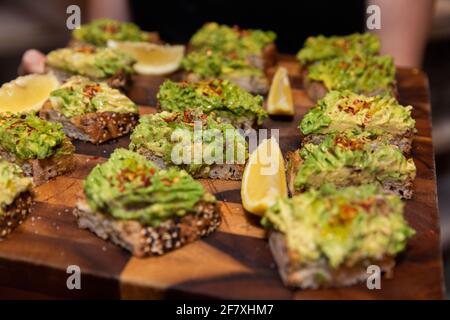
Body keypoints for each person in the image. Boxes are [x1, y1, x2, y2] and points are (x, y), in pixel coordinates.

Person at [19, 0, 435, 75]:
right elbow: (105, 41)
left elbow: (395, 79)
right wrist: (65, 80)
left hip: (317, 120)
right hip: (159, 121)